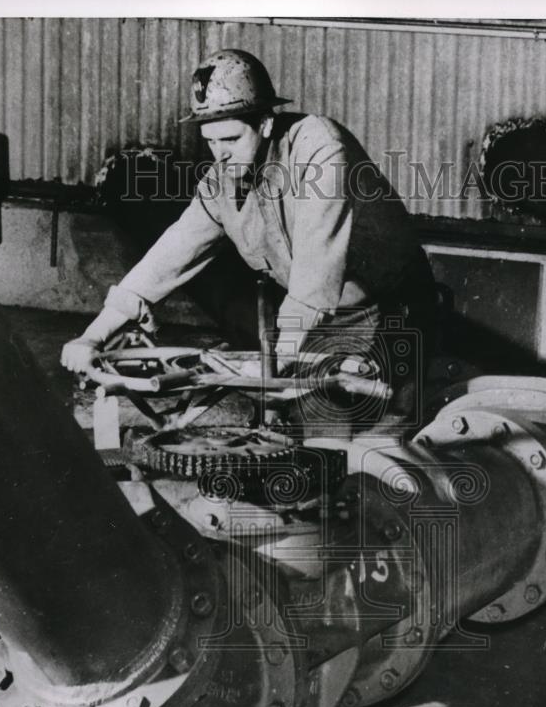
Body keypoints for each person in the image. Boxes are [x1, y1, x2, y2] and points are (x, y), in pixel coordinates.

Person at [61, 49, 435, 429]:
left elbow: (314, 279)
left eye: (230, 139)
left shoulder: (320, 150)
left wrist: (277, 362)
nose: (220, 155)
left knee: (340, 447)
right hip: (319, 318)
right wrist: (93, 336)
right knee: (283, 433)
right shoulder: (223, 178)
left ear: (267, 122)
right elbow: (172, 253)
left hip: (390, 312)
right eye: (211, 142)